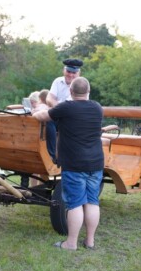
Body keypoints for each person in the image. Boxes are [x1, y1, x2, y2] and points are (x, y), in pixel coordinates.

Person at [33, 77, 104, 251]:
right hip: (95, 163)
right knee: (92, 202)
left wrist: (36, 111)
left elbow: (43, 117)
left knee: (75, 204)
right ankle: (90, 242)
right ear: (88, 92)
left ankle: (71, 243)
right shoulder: (97, 108)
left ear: (70, 92)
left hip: (74, 164)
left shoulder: (66, 107)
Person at [44, 59, 84, 162]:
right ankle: (53, 155)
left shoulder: (82, 84)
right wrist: (60, 109)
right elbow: (49, 99)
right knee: (49, 121)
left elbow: (79, 105)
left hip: (73, 118)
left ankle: (71, 155)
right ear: (64, 70)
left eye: (74, 72)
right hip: (59, 115)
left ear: (79, 73)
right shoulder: (58, 81)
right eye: (68, 71)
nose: (70, 75)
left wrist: (60, 108)